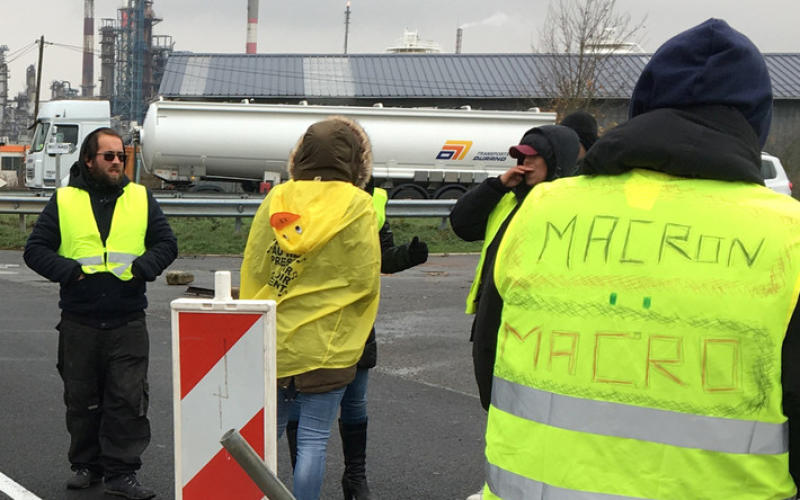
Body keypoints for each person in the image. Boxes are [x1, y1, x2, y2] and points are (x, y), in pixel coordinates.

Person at [482, 18, 800, 499]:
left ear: (641, 108)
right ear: (755, 125)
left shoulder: (542, 210)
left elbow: (491, 364)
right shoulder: (788, 236)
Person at [24, 127, 177, 499]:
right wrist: (70, 271)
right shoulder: (64, 201)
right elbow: (36, 250)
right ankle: (86, 465)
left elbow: (166, 243)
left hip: (127, 319)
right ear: (88, 160)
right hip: (80, 320)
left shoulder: (140, 197)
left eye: (121, 156)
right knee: (82, 400)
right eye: (108, 156)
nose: (116, 163)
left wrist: (144, 268)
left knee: (127, 400)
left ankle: (122, 474)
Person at [240, 116, 381, 500]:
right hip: (329, 343)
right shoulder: (359, 204)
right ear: (355, 159)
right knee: (313, 440)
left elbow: (255, 265)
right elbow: (365, 279)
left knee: (266, 436)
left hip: (276, 336)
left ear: (300, 154)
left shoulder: (278, 198)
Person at [285, 177, 429, 500]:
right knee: (302, 403)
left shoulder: (372, 198)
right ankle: (301, 485)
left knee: (355, 400)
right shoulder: (304, 193)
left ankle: (355, 477)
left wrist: (408, 255)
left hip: (357, 317)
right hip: (311, 317)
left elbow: (383, 256)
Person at [450, 124, 579, 412]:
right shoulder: (508, 197)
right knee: (494, 403)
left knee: (526, 408)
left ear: (555, 161)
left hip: (535, 326)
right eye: (521, 158)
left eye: (534, 158)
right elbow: (462, 224)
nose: (525, 164)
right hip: (491, 318)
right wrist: (496, 185)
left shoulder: (569, 206)